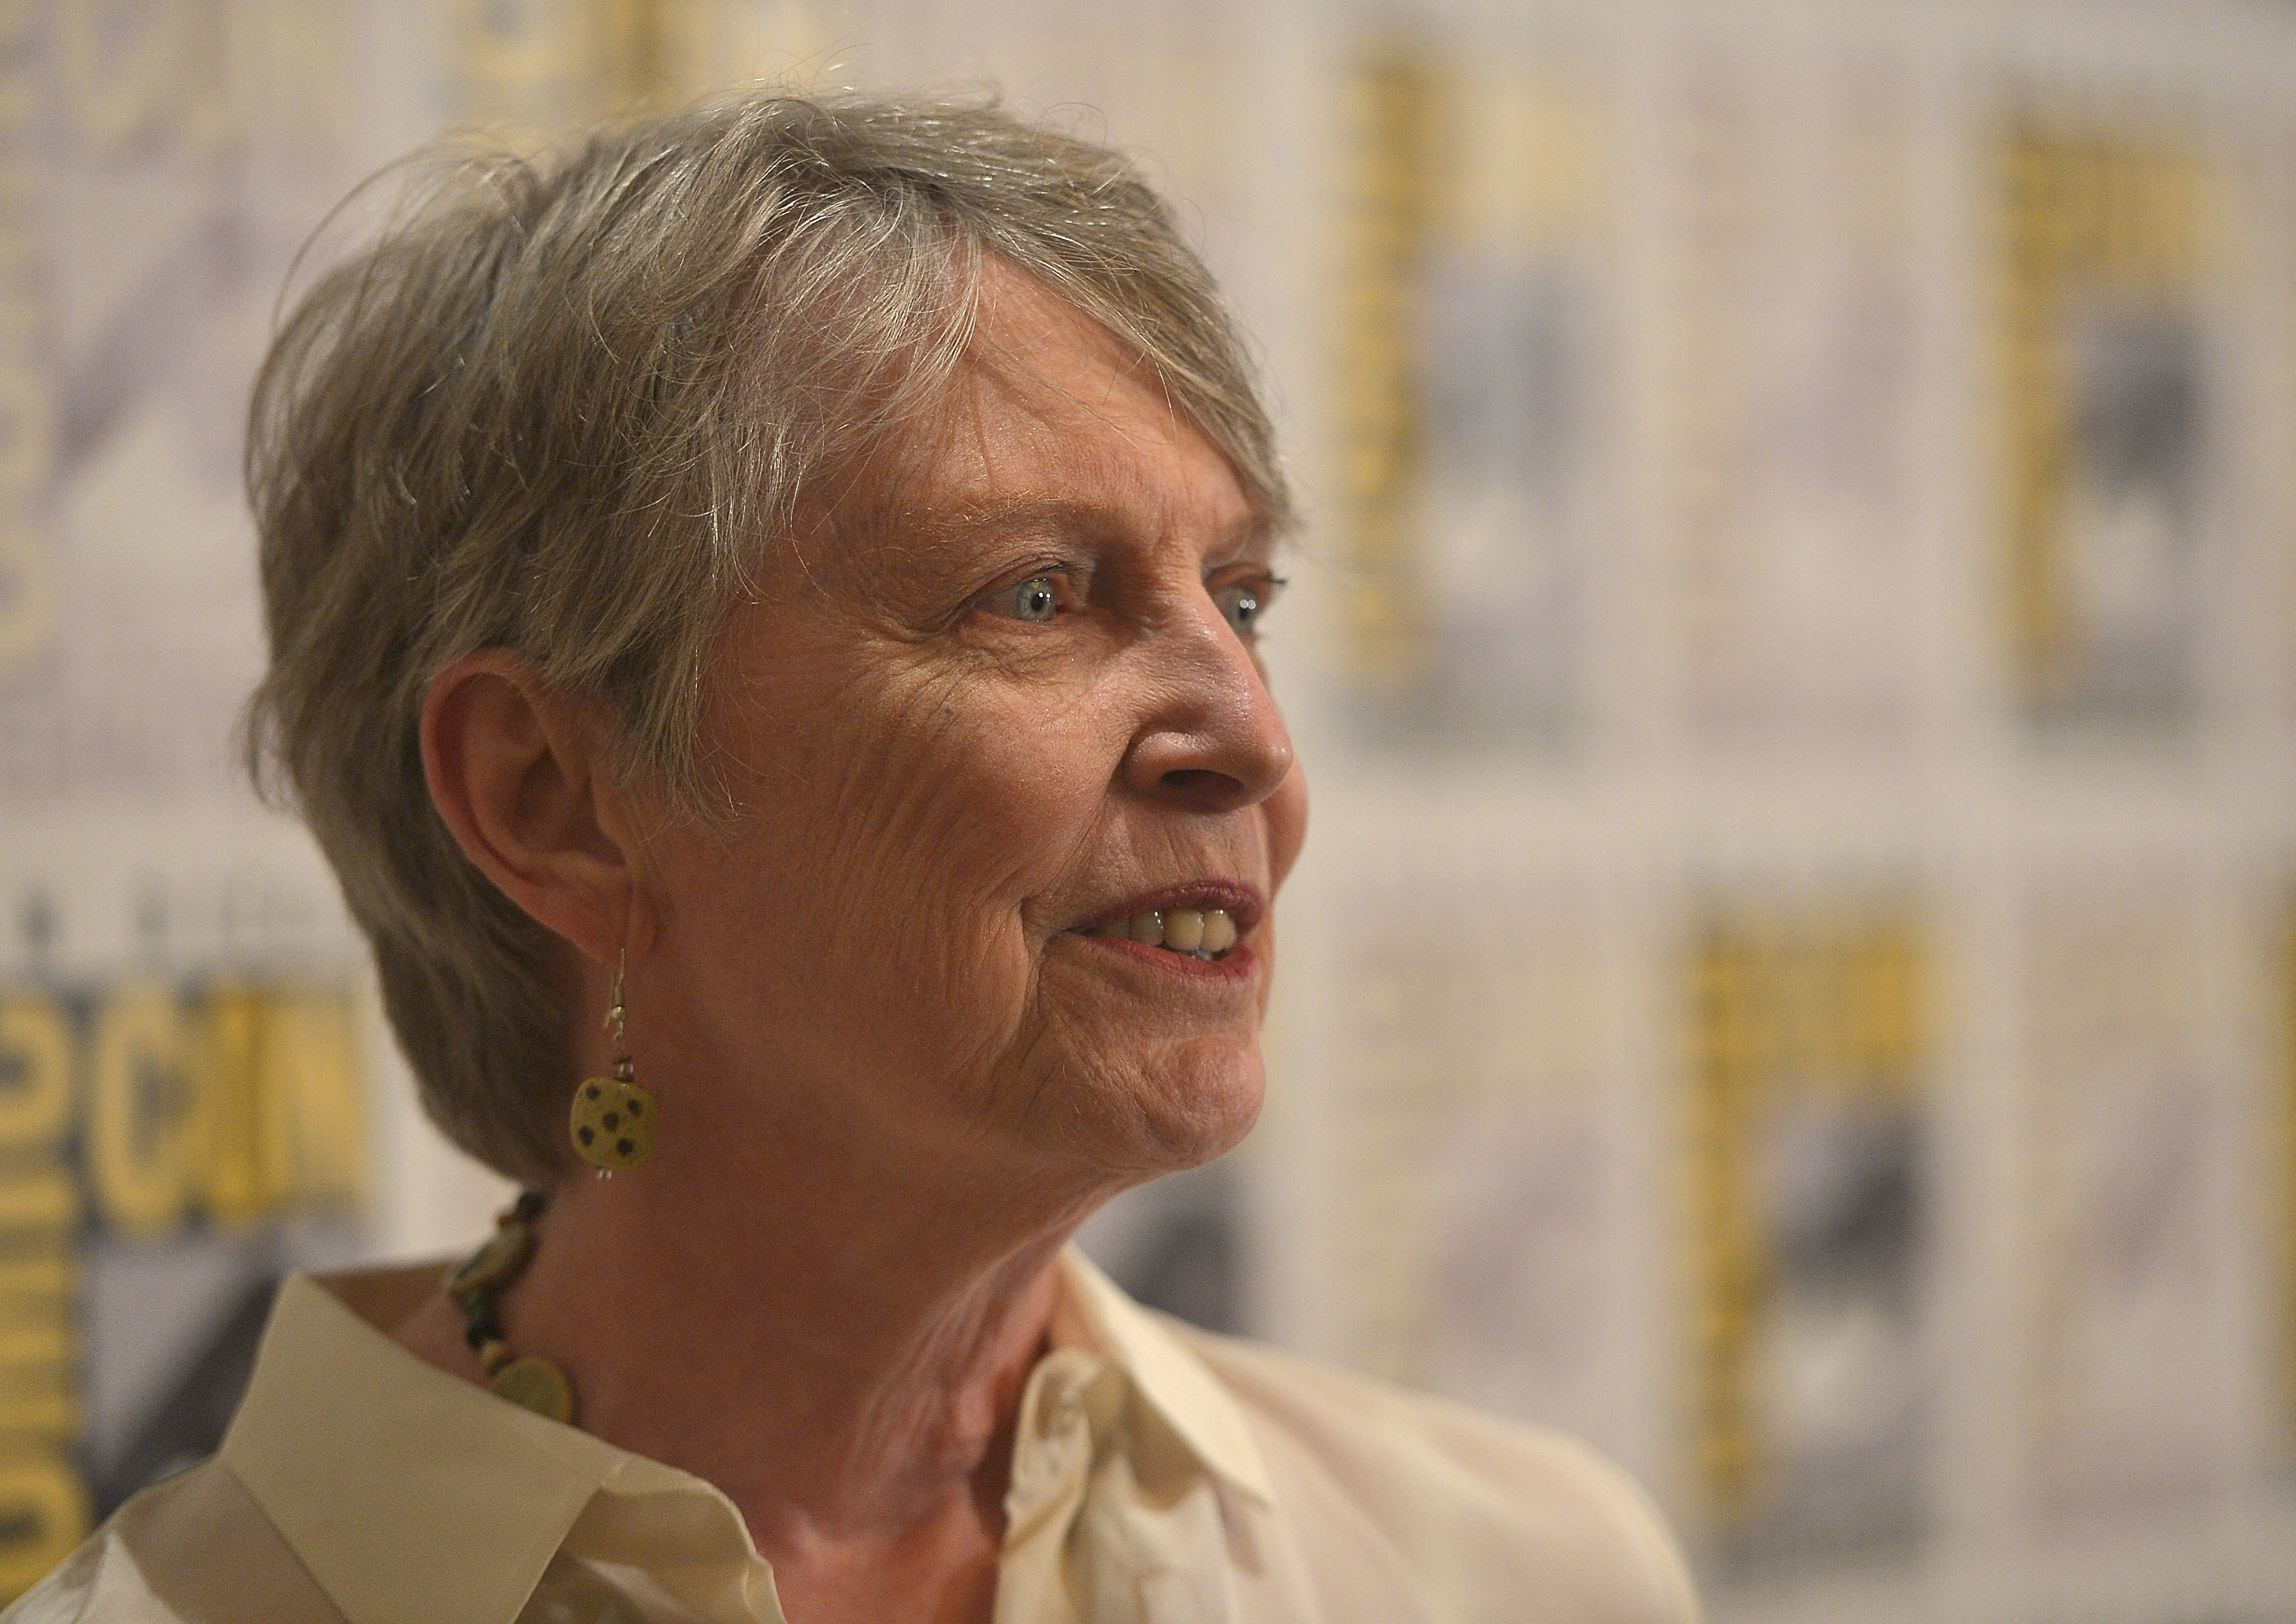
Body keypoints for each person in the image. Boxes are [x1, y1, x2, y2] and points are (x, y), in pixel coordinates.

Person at [8, 91, 1699, 1624]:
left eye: (1240, 600)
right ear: (553, 800)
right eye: (1036, 594)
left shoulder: (1515, 1571)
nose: (1252, 738)